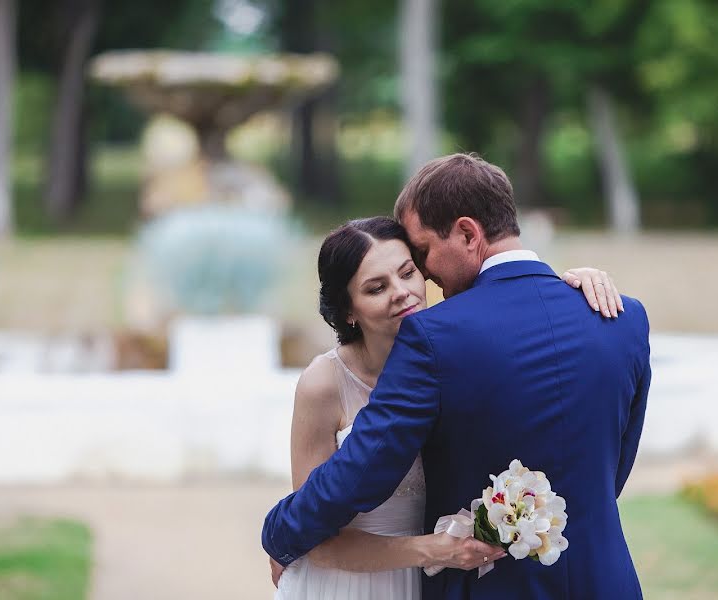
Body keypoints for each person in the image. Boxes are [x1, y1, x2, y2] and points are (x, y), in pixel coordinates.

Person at [265, 153, 650, 599]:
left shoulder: (433, 336)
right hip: (606, 582)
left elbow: (362, 472)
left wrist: (279, 534)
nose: (424, 277)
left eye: (421, 256)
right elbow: (614, 468)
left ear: (468, 232)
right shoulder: (623, 317)